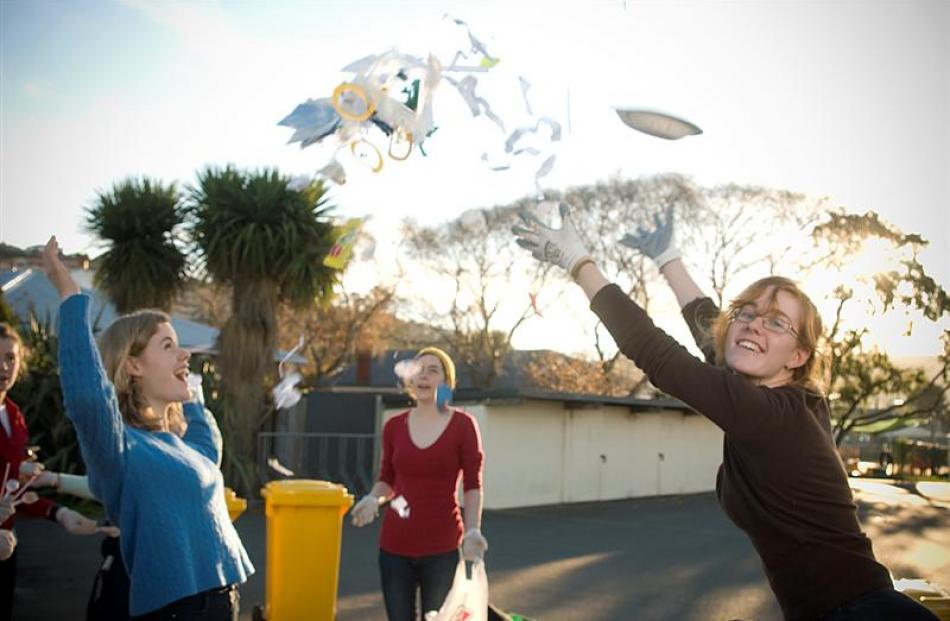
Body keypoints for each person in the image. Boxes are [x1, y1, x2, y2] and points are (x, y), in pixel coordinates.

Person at [512, 203, 938, 621]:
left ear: (798, 356)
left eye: (776, 323)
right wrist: (668, 259)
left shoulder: (772, 416)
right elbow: (715, 330)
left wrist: (579, 264)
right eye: (746, 313)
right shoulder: (781, 397)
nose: (753, 325)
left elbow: (657, 354)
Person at [42, 236, 253, 620]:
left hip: (224, 601)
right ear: (134, 365)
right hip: (179, 612)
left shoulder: (175, 443)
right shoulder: (121, 448)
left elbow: (209, 454)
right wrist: (71, 295)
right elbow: (89, 399)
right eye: (168, 345)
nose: (184, 353)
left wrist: (193, 398)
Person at [350, 347, 487, 621]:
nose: (423, 376)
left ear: (446, 382)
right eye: (418, 369)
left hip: (442, 547)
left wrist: (473, 530)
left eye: (433, 370)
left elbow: (472, 484)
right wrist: (372, 499)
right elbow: (387, 480)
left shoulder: (463, 425)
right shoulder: (393, 426)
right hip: (394, 547)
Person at [1, 321, 100, 617]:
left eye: (10, 358)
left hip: (7, 546)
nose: (4, 367)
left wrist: (59, 513)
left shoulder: (15, 416)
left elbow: (16, 491)